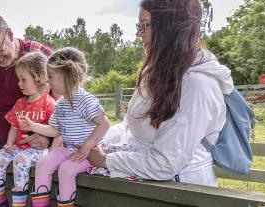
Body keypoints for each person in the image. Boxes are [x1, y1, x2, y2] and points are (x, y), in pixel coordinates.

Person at [87, 0, 235, 187]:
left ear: (170, 27)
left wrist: (105, 160)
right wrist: (89, 141)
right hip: (150, 186)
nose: (138, 33)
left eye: (144, 25)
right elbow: (130, 126)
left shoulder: (197, 85)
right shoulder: (158, 73)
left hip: (182, 191)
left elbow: (165, 164)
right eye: (138, 25)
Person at [18, 47, 111, 207]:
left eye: (51, 76)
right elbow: (55, 130)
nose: (47, 80)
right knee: (42, 164)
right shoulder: (61, 102)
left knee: (66, 170)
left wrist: (88, 146)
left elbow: (104, 124)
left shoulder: (85, 101)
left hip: (87, 153)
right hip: (68, 149)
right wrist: (33, 126)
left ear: (67, 76)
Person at [0, 13, 54, 154]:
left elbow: (70, 108)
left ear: (10, 34)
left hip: (40, 154)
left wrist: (49, 138)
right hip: (1, 151)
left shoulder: (42, 57)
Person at [0, 52, 55, 207]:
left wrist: (44, 138)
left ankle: (19, 204)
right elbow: (14, 127)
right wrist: (9, 144)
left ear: (38, 79)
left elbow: (55, 129)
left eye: (23, 79)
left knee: (21, 160)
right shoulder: (20, 103)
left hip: (38, 151)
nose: (19, 83)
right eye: (19, 79)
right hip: (18, 148)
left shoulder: (49, 103)